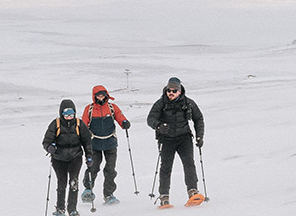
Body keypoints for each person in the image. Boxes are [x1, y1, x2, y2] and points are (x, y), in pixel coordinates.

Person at [146, 76, 205, 208]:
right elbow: (150, 119)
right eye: (169, 90)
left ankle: (193, 191)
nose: (171, 93)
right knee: (166, 167)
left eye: (174, 91)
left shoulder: (188, 103)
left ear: (180, 91)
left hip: (184, 138)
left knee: (189, 164)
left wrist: (199, 136)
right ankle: (164, 196)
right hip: (166, 140)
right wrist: (159, 126)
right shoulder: (160, 103)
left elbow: (198, 119)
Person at [80, 85, 132, 205]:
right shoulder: (89, 109)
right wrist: (83, 134)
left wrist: (124, 123)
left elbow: (120, 117)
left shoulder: (112, 107)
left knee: (110, 169)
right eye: (98, 95)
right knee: (93, 168)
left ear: (106, 95)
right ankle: (88, 190)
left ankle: (109, 195)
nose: (101, 97)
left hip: (110, 143)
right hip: (95, 144)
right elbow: (84, 124)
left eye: (102, 95)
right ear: (94, 96)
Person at [41, 98, 91, 216]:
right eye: (66, 115)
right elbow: (46, 141)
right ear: (61, 113)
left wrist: (89, 156)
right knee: (62, 183)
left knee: (74, 182)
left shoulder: (79, 124)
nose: (69, 117)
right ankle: (60, 208)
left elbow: (87, 142)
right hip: (58, 159)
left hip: (75, 157)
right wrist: (49, 147)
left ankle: (72, 210)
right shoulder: (55, 124)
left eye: (71, 115)